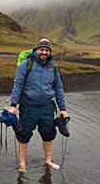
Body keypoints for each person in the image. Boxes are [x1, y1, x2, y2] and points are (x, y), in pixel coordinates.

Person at [8, 38, 69, 173]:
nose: (44, 52)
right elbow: (17, 85)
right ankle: (22, 163)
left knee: (49, 134)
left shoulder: (53, 67)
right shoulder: (26, 64)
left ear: (50, 52)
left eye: (47, 50)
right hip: (28, 107)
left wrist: (62, 109)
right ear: (36, 50)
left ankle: (48, 160)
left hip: (47, 107)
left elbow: (58, 88)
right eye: (42, 49)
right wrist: (13, 105)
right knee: (23, 134)